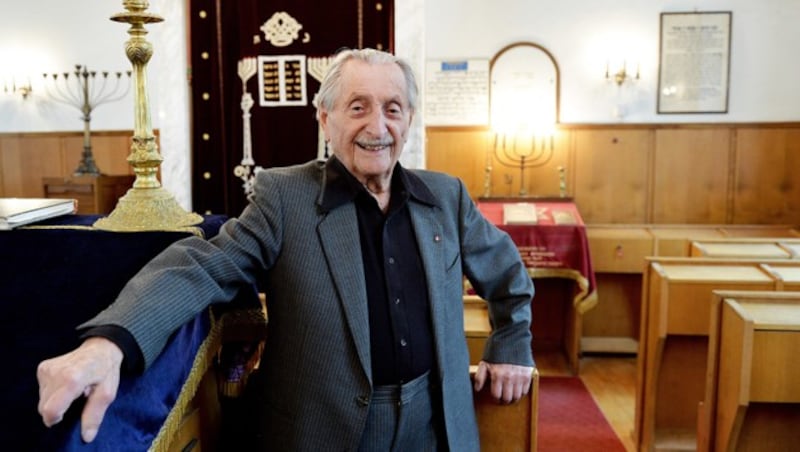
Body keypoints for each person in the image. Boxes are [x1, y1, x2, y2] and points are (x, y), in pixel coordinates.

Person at [37, 48, 535, 451]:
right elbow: (201, 267)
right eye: (357, 106)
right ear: (325, 118)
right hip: (322, 432)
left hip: (435, 430)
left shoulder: (445, 196)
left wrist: (511, 342)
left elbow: (508, 274)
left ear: (408, 120)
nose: (377, 126)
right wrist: (109, 343)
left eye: (393, 108)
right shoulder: (286, 198)